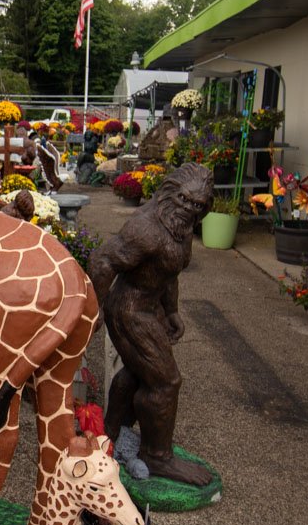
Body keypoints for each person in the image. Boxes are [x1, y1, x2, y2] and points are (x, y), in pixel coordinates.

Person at [88, 162, 214, 486]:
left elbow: (169, 273)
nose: (188, 208)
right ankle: (157, 456)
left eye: (197, 205)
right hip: (129, 310)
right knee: (166, 382)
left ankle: (111, 433)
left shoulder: (181, 228)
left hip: (151, 307)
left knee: (137, 373)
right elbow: (103, 260)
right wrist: (94, 308)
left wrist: (171, 311)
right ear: (170, 193)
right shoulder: (146, 229)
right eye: (184, 199)